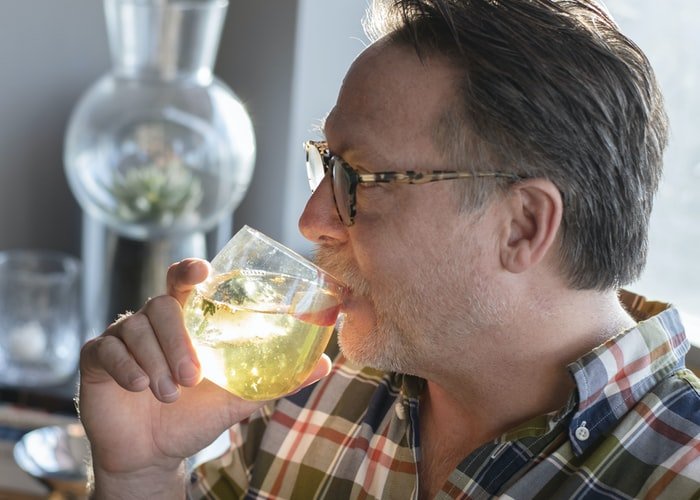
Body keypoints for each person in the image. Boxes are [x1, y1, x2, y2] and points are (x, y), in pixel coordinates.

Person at [78, 0, 700, 498]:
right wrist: (142, 475)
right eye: (324, 167)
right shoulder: (309, 389)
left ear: (523, 226)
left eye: (357, 180)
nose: (311, 220)